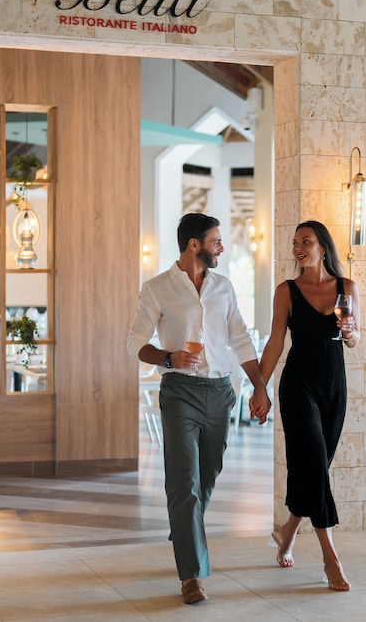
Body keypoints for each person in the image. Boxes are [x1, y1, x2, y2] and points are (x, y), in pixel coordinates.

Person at [127, 212, 271, 605]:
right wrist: (168, 358)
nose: (222, 247)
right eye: (216, 241)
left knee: (208, 475)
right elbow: (135, 342)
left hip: (220, 392)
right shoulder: (157, 288)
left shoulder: (224, 287)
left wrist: (260, 386)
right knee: (184, 482)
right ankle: (191, 575)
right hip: (179, 393)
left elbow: (240, 339)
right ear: (195, 244)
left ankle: (183, 529)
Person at [260, 220, 360, 592]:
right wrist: (260, 388)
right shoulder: (286, 291)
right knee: (315, 465)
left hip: (334, 389)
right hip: (298, 386)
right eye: (295, 242)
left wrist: (350, 331)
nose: (298, 248)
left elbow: (354, 338)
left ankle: (286, 533)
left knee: (313, 469)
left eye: (306, 241)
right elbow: (275, 342)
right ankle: (330, 558)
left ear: (323, 247)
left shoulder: (347, 288)